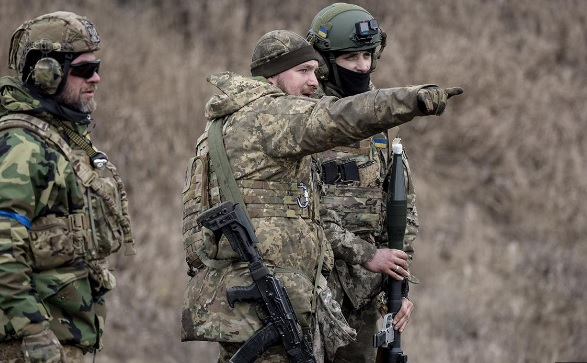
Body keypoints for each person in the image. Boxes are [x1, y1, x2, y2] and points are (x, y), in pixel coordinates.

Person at [180, 29, 462, 363]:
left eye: (316, 71)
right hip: (267, 302)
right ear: (272, 77)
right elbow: (342, 117)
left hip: (248, 302)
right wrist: (412, 100)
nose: (314, 82)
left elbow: (195, 238)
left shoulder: (220, 127)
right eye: (303, 71)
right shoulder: (271, 118)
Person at [0, 11, 135, 363]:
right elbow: (3, 252)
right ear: (48, 74)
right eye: (85, 70)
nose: (97, 79)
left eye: (97, 67)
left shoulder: (59, 141)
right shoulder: (22, 148)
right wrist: (35, 334)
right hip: (29, 350)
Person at [306, 3, 421, 362]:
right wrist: (367, 255)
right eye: (350, 57)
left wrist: (397, 287)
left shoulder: (382, 120)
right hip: (310, 287)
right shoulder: (301, 117)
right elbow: (298, 211)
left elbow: (403, 208)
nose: (361, 66)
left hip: (366, 298)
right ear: (324, 62)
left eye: (367, 55)